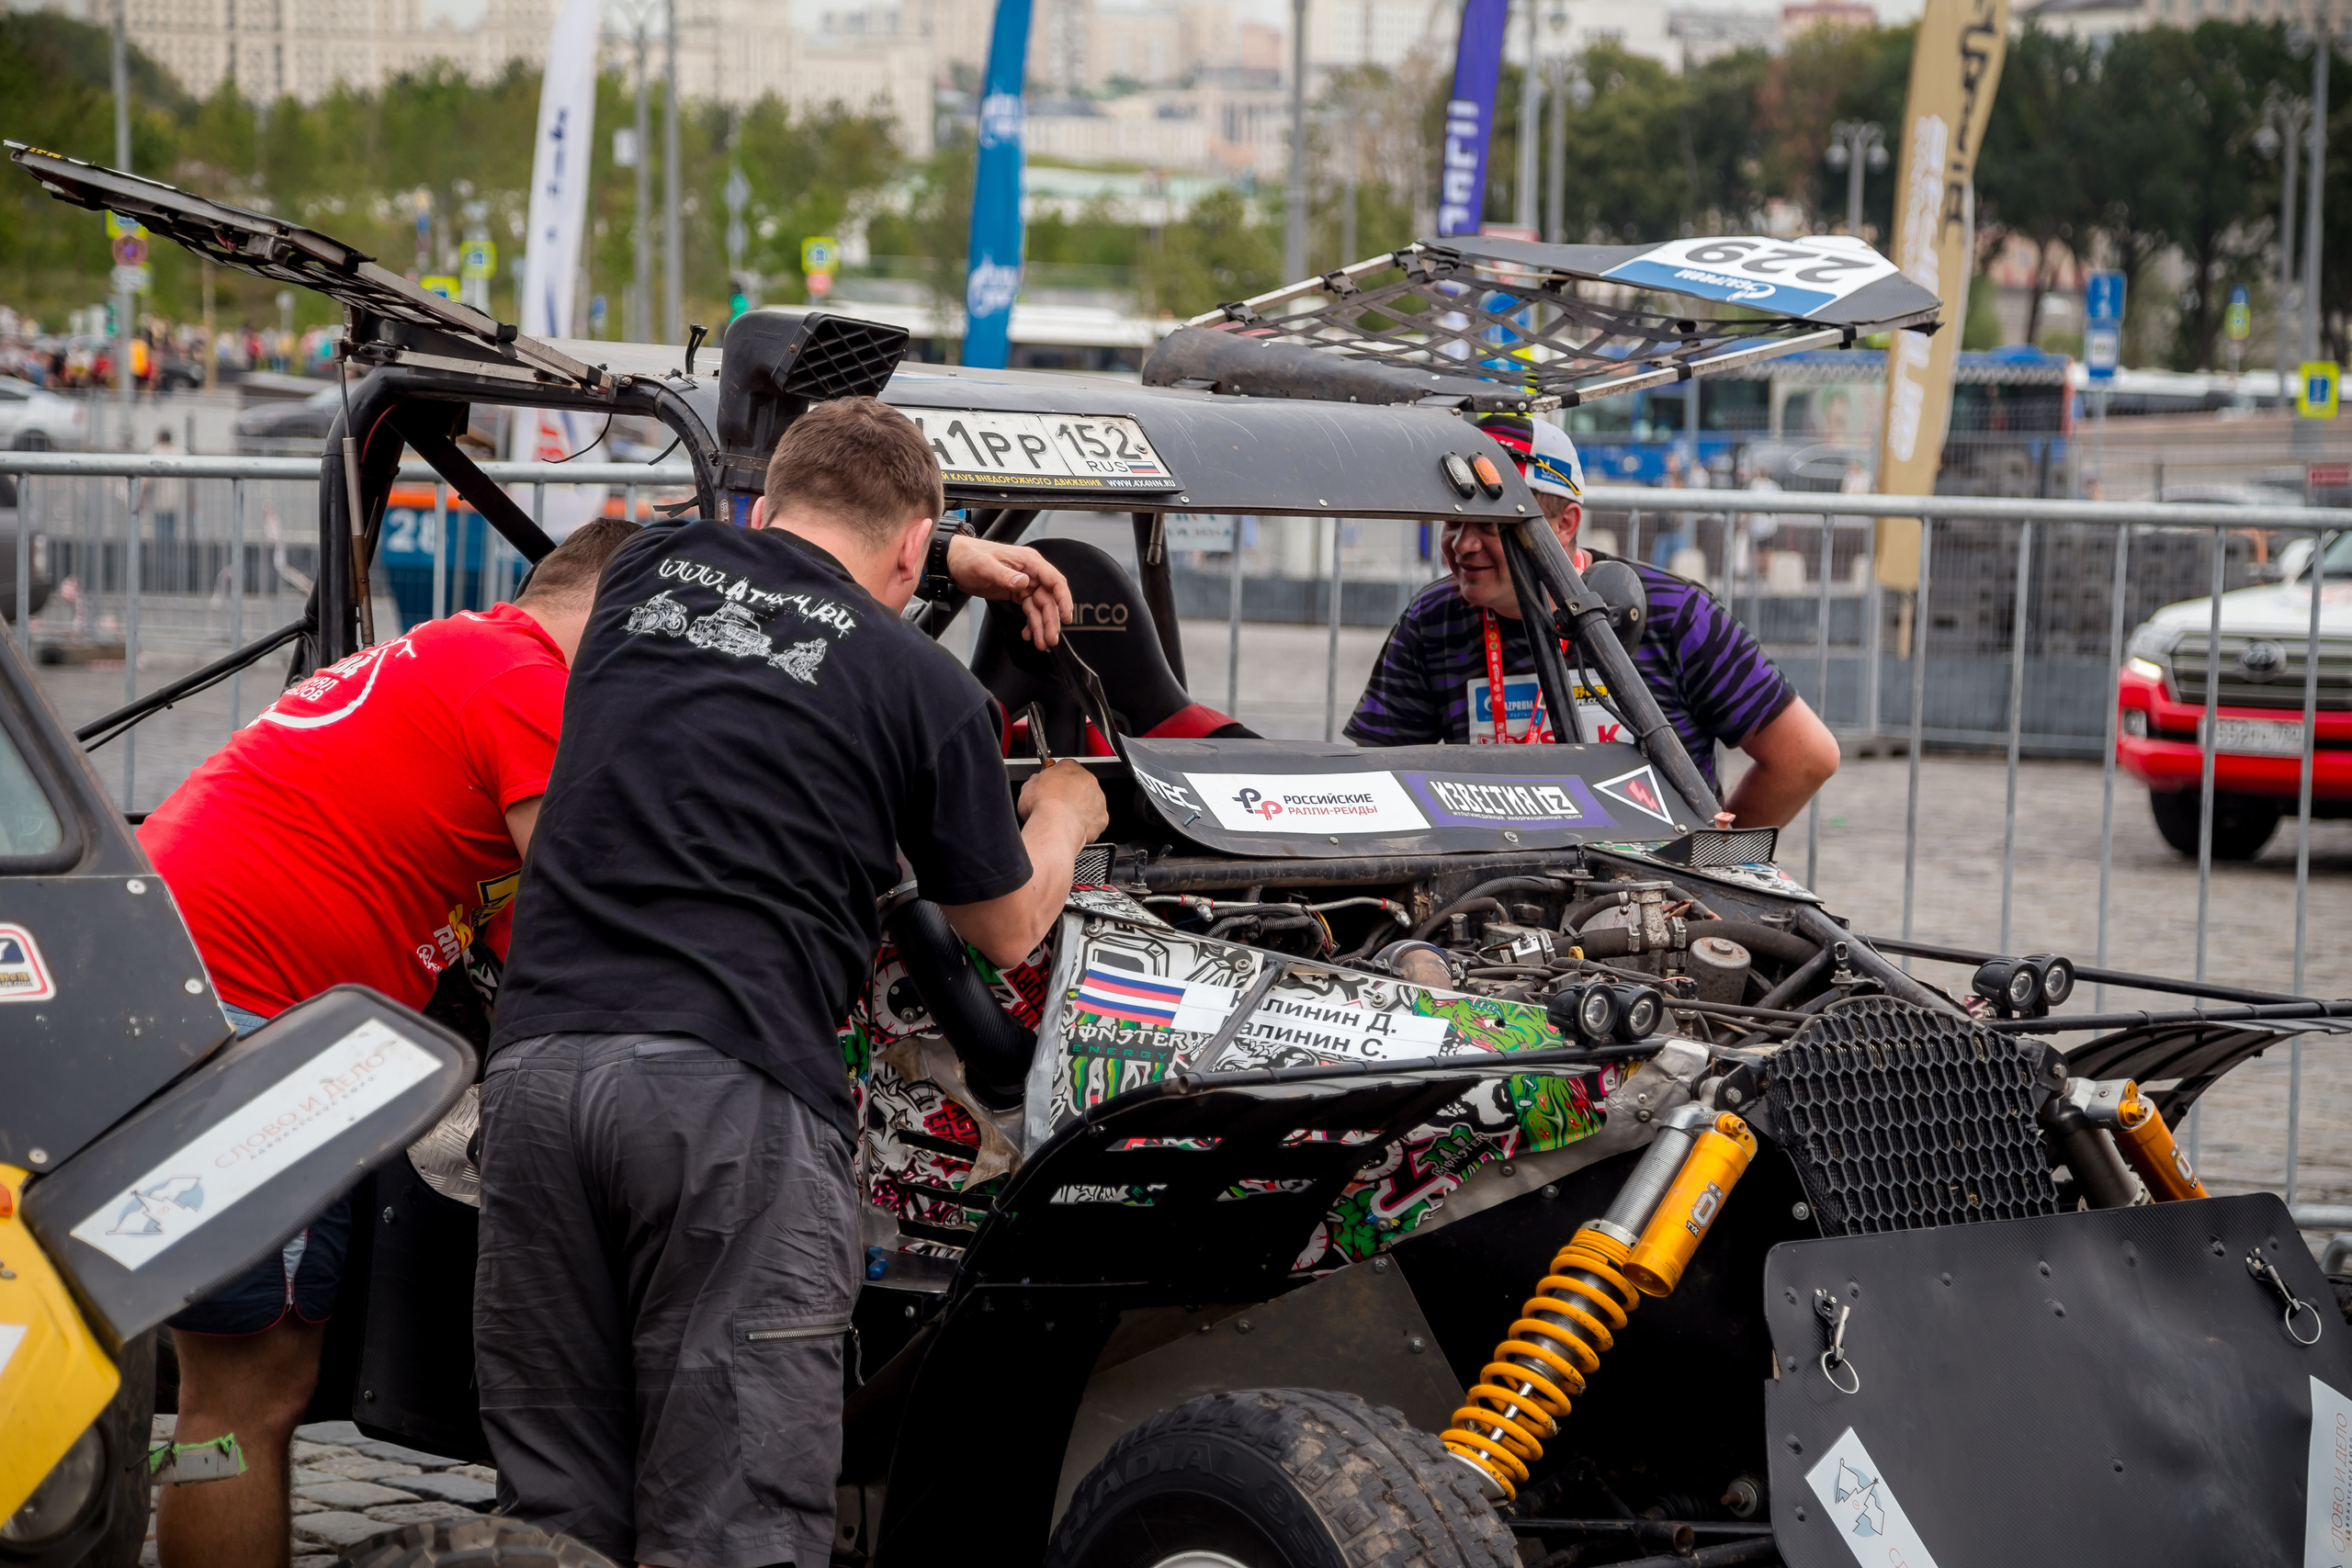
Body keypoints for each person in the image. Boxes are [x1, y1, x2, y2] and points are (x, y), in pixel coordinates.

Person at [475, 396, 1109, 1568]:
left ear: (763, 509)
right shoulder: (929, 693)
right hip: (728, 1102)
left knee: (557, 1514)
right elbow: (1013, 928)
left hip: (536, 1080)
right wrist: (1064, 809)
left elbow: (772, 554)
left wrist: (945, 548)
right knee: (734, 1525)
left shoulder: (648, 571)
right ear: (911, 550)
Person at [138, 517, 639, 1568]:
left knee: (225, 1384)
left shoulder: (462, 660)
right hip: (240, 1022)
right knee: (248, 1389)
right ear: (611, 613)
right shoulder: (525, 682)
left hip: (193, 997)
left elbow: (526, 957)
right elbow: (604, 913)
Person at [1346, 413, 1839, 828]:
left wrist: (1716, 861)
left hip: (1650, 902)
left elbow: (1805, 757)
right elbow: (1367, 780)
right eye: (1454, 520)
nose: (1462, 545)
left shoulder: (1674, 611)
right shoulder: (1433, 621)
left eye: (1492, 525)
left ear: (1565, 524)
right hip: (1491, 902)